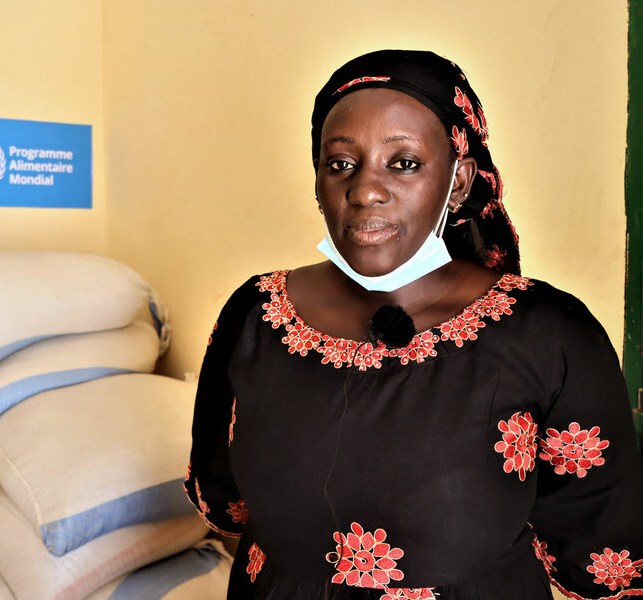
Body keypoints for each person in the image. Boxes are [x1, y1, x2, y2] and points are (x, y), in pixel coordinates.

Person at [183, 49, 643, 600]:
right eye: (340, 164)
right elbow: (226, 493)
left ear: (458, 182)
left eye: (403, 163)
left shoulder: (549, 334)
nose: (365, 190)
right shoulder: (255, 314)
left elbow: (598, 538)